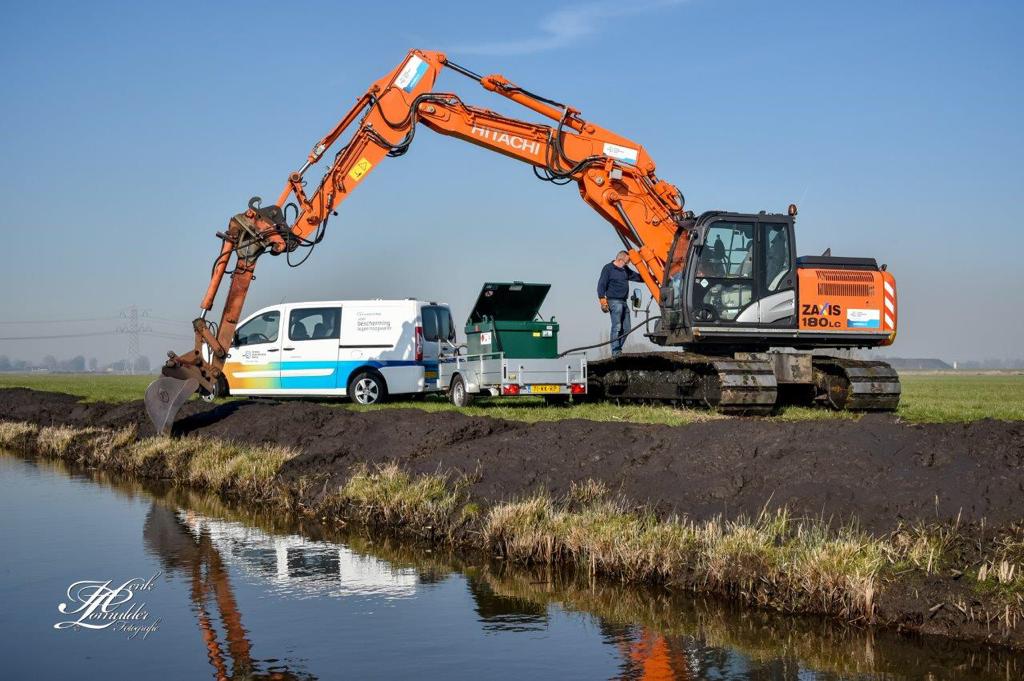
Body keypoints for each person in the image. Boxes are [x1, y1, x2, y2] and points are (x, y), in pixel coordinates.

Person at [597, 250, 643, 357]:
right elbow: (601, 285)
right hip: (613, 301)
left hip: (623, 301)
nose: (627, 264)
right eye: (626, 262)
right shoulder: (608, 269)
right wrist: (602, 301)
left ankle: (618, 348)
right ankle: (615, 351)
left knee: (627, 328)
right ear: (620, 259)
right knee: (617, 326)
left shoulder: (625, 269)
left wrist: (650, 277)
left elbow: (636, 276)